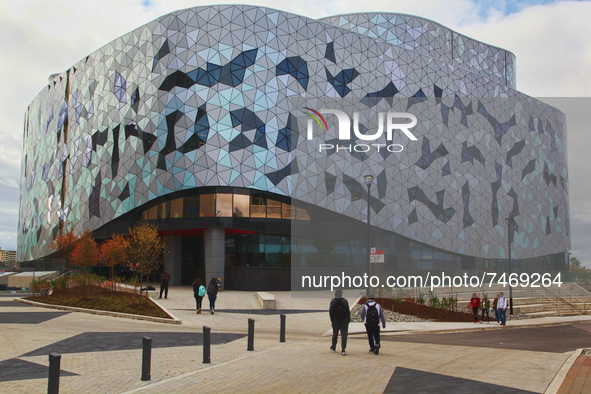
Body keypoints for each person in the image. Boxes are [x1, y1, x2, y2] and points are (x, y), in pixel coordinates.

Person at [329, 289, 350, 356]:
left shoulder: (333, 301)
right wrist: (348, 320)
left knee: (335, 334)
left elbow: (331, 312)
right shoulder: (345, 301)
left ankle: (333, 347)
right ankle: (343, 349)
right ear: (341, 294)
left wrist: (332, 320)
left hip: (336, 320)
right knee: (344, 335)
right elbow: (348, 311)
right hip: (344, 321)